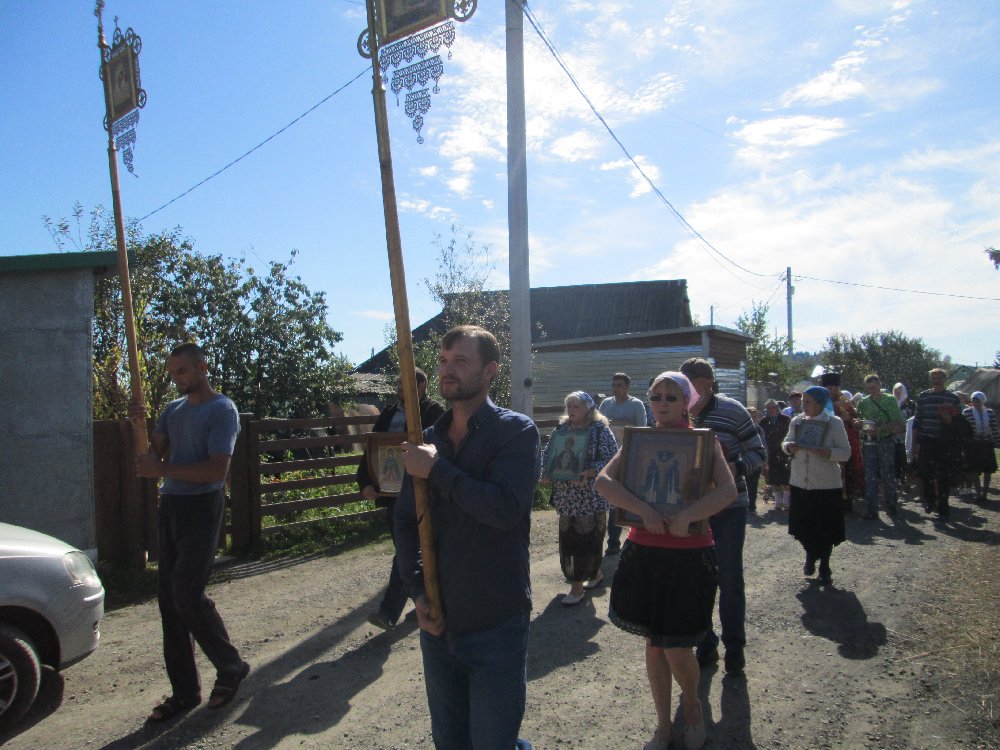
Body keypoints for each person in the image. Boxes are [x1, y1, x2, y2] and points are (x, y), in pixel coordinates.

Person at [395, 325, 540, 750]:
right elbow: (404, 521)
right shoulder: (427, 440)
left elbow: (504, 510)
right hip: (439, 625)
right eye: (443, 361)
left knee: (494, 742)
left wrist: (437, 470)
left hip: (496, 623)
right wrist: (417, 592)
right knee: (450, 742)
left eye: (460, 360)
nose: (447, 370)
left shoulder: (516, 432)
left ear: (490, 370)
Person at [595, 371, 737, 750]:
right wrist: (644, 510)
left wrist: (688, 516)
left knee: (676, 646)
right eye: (656, 396)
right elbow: (604, 482)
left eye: (671, 397)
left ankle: (691, 707)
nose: (662, 404)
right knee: (654, 645)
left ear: (686, 402)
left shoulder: (703, 443)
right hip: (644, 553)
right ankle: (663, 725)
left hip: (688, 556)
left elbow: (727, 491)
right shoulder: (640, 441)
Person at [130, 343, 250, 722]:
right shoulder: (173, 410)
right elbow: (152, 454)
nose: (177, 379)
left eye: (182, 371)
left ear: (202, 368)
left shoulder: (222, 410)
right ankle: (184, 692)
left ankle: (231, 666)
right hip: (172, 506)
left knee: (186, 593)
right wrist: (137, 424)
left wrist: (162, 470)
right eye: (173, 373)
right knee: (169, 601)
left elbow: (216, 471)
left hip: (202, 506)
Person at [680, 358, 766, 676]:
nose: (685, 393)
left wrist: (735, 468)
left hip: (729, 509)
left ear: (708, 384)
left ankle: (735, 647)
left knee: (730, 577)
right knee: (695, 580)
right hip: (689, 512)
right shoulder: (675, 413)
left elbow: (758, 452)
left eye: (690, 386)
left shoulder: (733, 411)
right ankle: (705, 642)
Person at [358, 368, 445, 632]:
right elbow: (372, 447)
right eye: (397, 383)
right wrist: (365, 481)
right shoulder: (387, 413)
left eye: (403, 383)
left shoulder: (433, 412)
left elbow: (439, 449)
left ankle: (388, 612)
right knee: (407, 548)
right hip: (391, 492)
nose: (398, 387)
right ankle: (428, 599)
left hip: (419, 490)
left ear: (421, 386)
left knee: (407, 550)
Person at [540, 391, 618, 605]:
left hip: (589, 496)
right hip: (566, 496)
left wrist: (591, 471)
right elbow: (549, 453)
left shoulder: (600, 430)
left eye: (576, 406)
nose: (571, 410)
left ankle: (577, 588)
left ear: (588, 408)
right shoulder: (562, 429)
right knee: (569, 538)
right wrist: (546, 472)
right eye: (569, 406)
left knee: (586, 539)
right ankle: (594, 574)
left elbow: (612, 457)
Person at [782, 386, 851, 585]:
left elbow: (845, 452)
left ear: (820, 403)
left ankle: (825, 565)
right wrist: (788, 447)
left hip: (825, 485)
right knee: (803, 527)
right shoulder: (797, 421)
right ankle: (810, 554)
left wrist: (828, 453)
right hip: (800, 482)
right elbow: (786, 442)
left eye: (808, 402)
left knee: (825, 528)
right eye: (803, 401)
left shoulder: (834, 423)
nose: (804, 405)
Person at [599, 372, 648, 555]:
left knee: (616, 497)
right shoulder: (606, 404)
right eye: (614, 385)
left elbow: (641, 430)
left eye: (619, 385)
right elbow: (599, 426)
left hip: (625, 455)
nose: (616, 389)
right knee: (602, 494)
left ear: (627, 387)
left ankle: (613, 541)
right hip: (606, 455)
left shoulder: (636, 405)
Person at [913, 368, 968, 523]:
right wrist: (914, 443)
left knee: (943, 476)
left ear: (945, 379)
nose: (936, 379)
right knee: (925, 472)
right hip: (926, 440)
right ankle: (930, 499)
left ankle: (943, 509)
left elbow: (960, 423)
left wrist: (949, 419)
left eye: (939, 377)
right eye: (933, 377)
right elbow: (917, 421)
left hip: (945, 443)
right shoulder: (923, 396)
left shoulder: (952, 398)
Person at [856, 374, 904, 520]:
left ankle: (891, 506)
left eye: (874, 386)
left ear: (879, 385)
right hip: (868, 441)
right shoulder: (863, 402)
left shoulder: (889, 399)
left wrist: (879, 429)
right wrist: (858, 423)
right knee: (869, 475)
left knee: (887, 473)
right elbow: (859, 420)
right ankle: (872, 509)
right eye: (869, 387)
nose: (872, 389)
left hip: (885, 440)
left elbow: (897, 421)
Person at [821, 372, 863, 513]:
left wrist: (851, 419)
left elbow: (855, 420)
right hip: (826, 442)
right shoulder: (819, 401)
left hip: (845, 442)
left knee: (847, 472)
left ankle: (846, 501)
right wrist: (836, 409)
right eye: (829, 388)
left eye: (835, 388)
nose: (832, 390)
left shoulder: (845, 401)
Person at [963, 391, 999, 502]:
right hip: (973, 444)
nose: (975, 402)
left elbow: (994, 428)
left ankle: (985, 493)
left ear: (982, 401)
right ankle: (978, 493)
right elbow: (963, 428)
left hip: (987, 443)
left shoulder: (989, 412)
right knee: (974, 469)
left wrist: (997, 441)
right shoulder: (967, 412)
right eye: (974, 400)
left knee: (988, 469)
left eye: (977, 400)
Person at [760, 400, 791, 510]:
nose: (771, 410)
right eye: (769, 408)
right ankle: (778, 501)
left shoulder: (785, 419)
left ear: (777, 407)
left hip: (784, 451)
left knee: (786, 477)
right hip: (771, 452)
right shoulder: (764, 421)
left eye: (773, 407)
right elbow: (761, 436)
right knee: (774, 478)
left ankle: (786, 501)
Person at [892, 383, 916, 486]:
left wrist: (904, 427)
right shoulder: (891, 403)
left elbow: (913, 419)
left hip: (906, 436)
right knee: (895, 459)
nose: (898, 392)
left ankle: (907, 481)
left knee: (905, 459)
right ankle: (898, 479)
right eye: (896, 390)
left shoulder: (910, 404)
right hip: (893, 436)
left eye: (900, 390)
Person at [745, 406, 765, 513]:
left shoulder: (759, 430)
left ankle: (752, 505)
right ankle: (743, 504)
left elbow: (763, 445)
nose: (752, 419)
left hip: (755, 461)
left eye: (754, 417)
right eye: (750, 417)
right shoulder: (740, 429)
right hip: (743, 459)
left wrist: (764, 460)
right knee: (744, 483)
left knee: (753, 484)